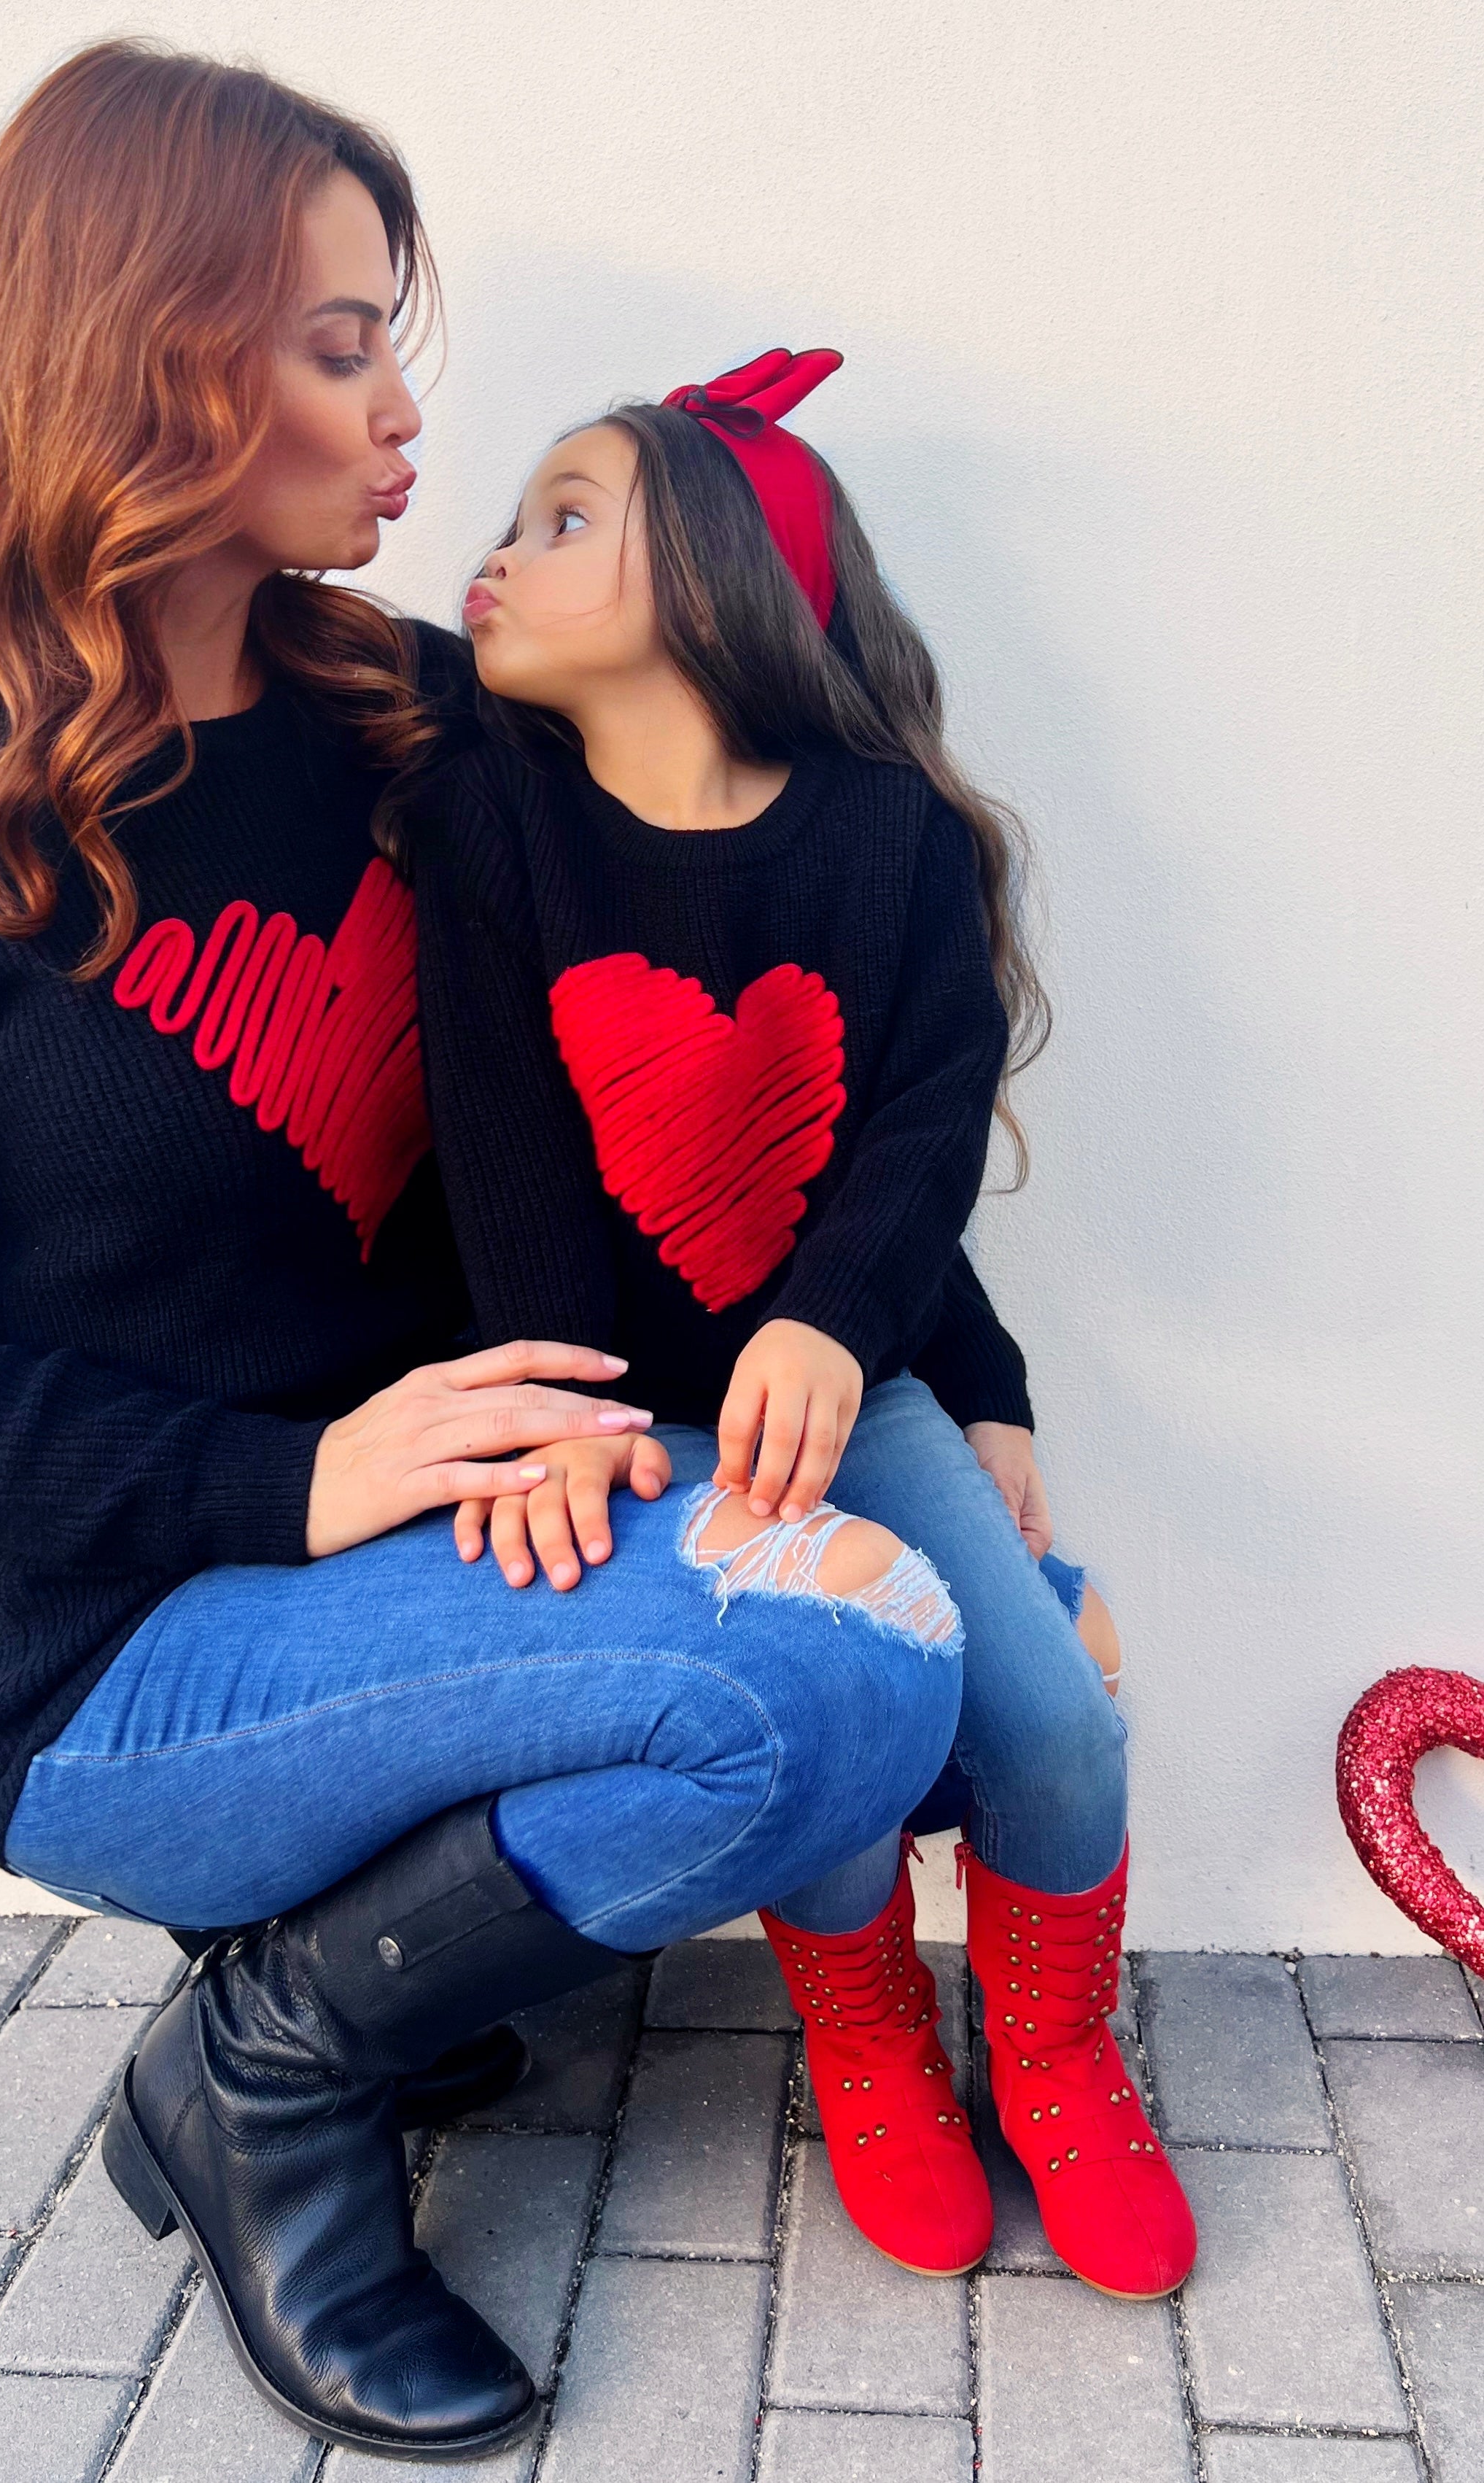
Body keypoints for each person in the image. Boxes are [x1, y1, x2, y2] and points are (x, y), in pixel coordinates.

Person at [0, 44, 987, 2462]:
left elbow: (771, 1050)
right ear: (144, 360)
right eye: (336, 347)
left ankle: (332, 1980)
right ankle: (271, 2067)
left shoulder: (422, 716)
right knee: (830, 1677)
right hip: (133, 1665)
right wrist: (301, 1477)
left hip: (477, 1532)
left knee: (896, 1650)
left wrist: (963, 1362)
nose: (406, 412)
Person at [403, 353, 1197, 2298]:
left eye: (564, 516)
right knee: (827, 1718)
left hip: (857, 1384)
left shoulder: (888, 837)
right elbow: (500, 1159)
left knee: (1054, 1723)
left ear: (714, 578)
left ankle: (1055, 2051)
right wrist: (579, 1425)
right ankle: (862, 2033)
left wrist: (869, 1341)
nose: (496, 552)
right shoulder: (487, 825)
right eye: (513, 517)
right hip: (637, 1427)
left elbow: (918, 1134)